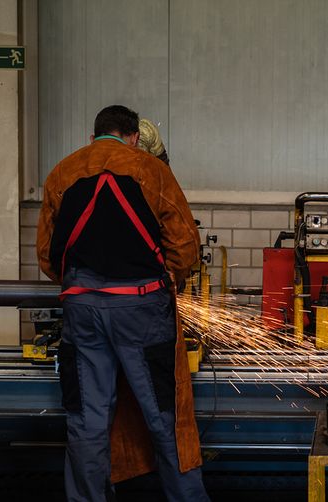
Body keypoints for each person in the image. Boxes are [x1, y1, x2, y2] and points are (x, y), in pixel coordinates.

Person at [36, 104, 211, 502]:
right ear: (134, 138)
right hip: (142, 309)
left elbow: (47, 256)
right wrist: (169, 276)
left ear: (92, 137)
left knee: (87, 418)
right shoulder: (151, 170)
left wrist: (86, 285)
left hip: (82, 310)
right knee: (165, 415)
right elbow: (185, 246)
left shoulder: (62, 172)